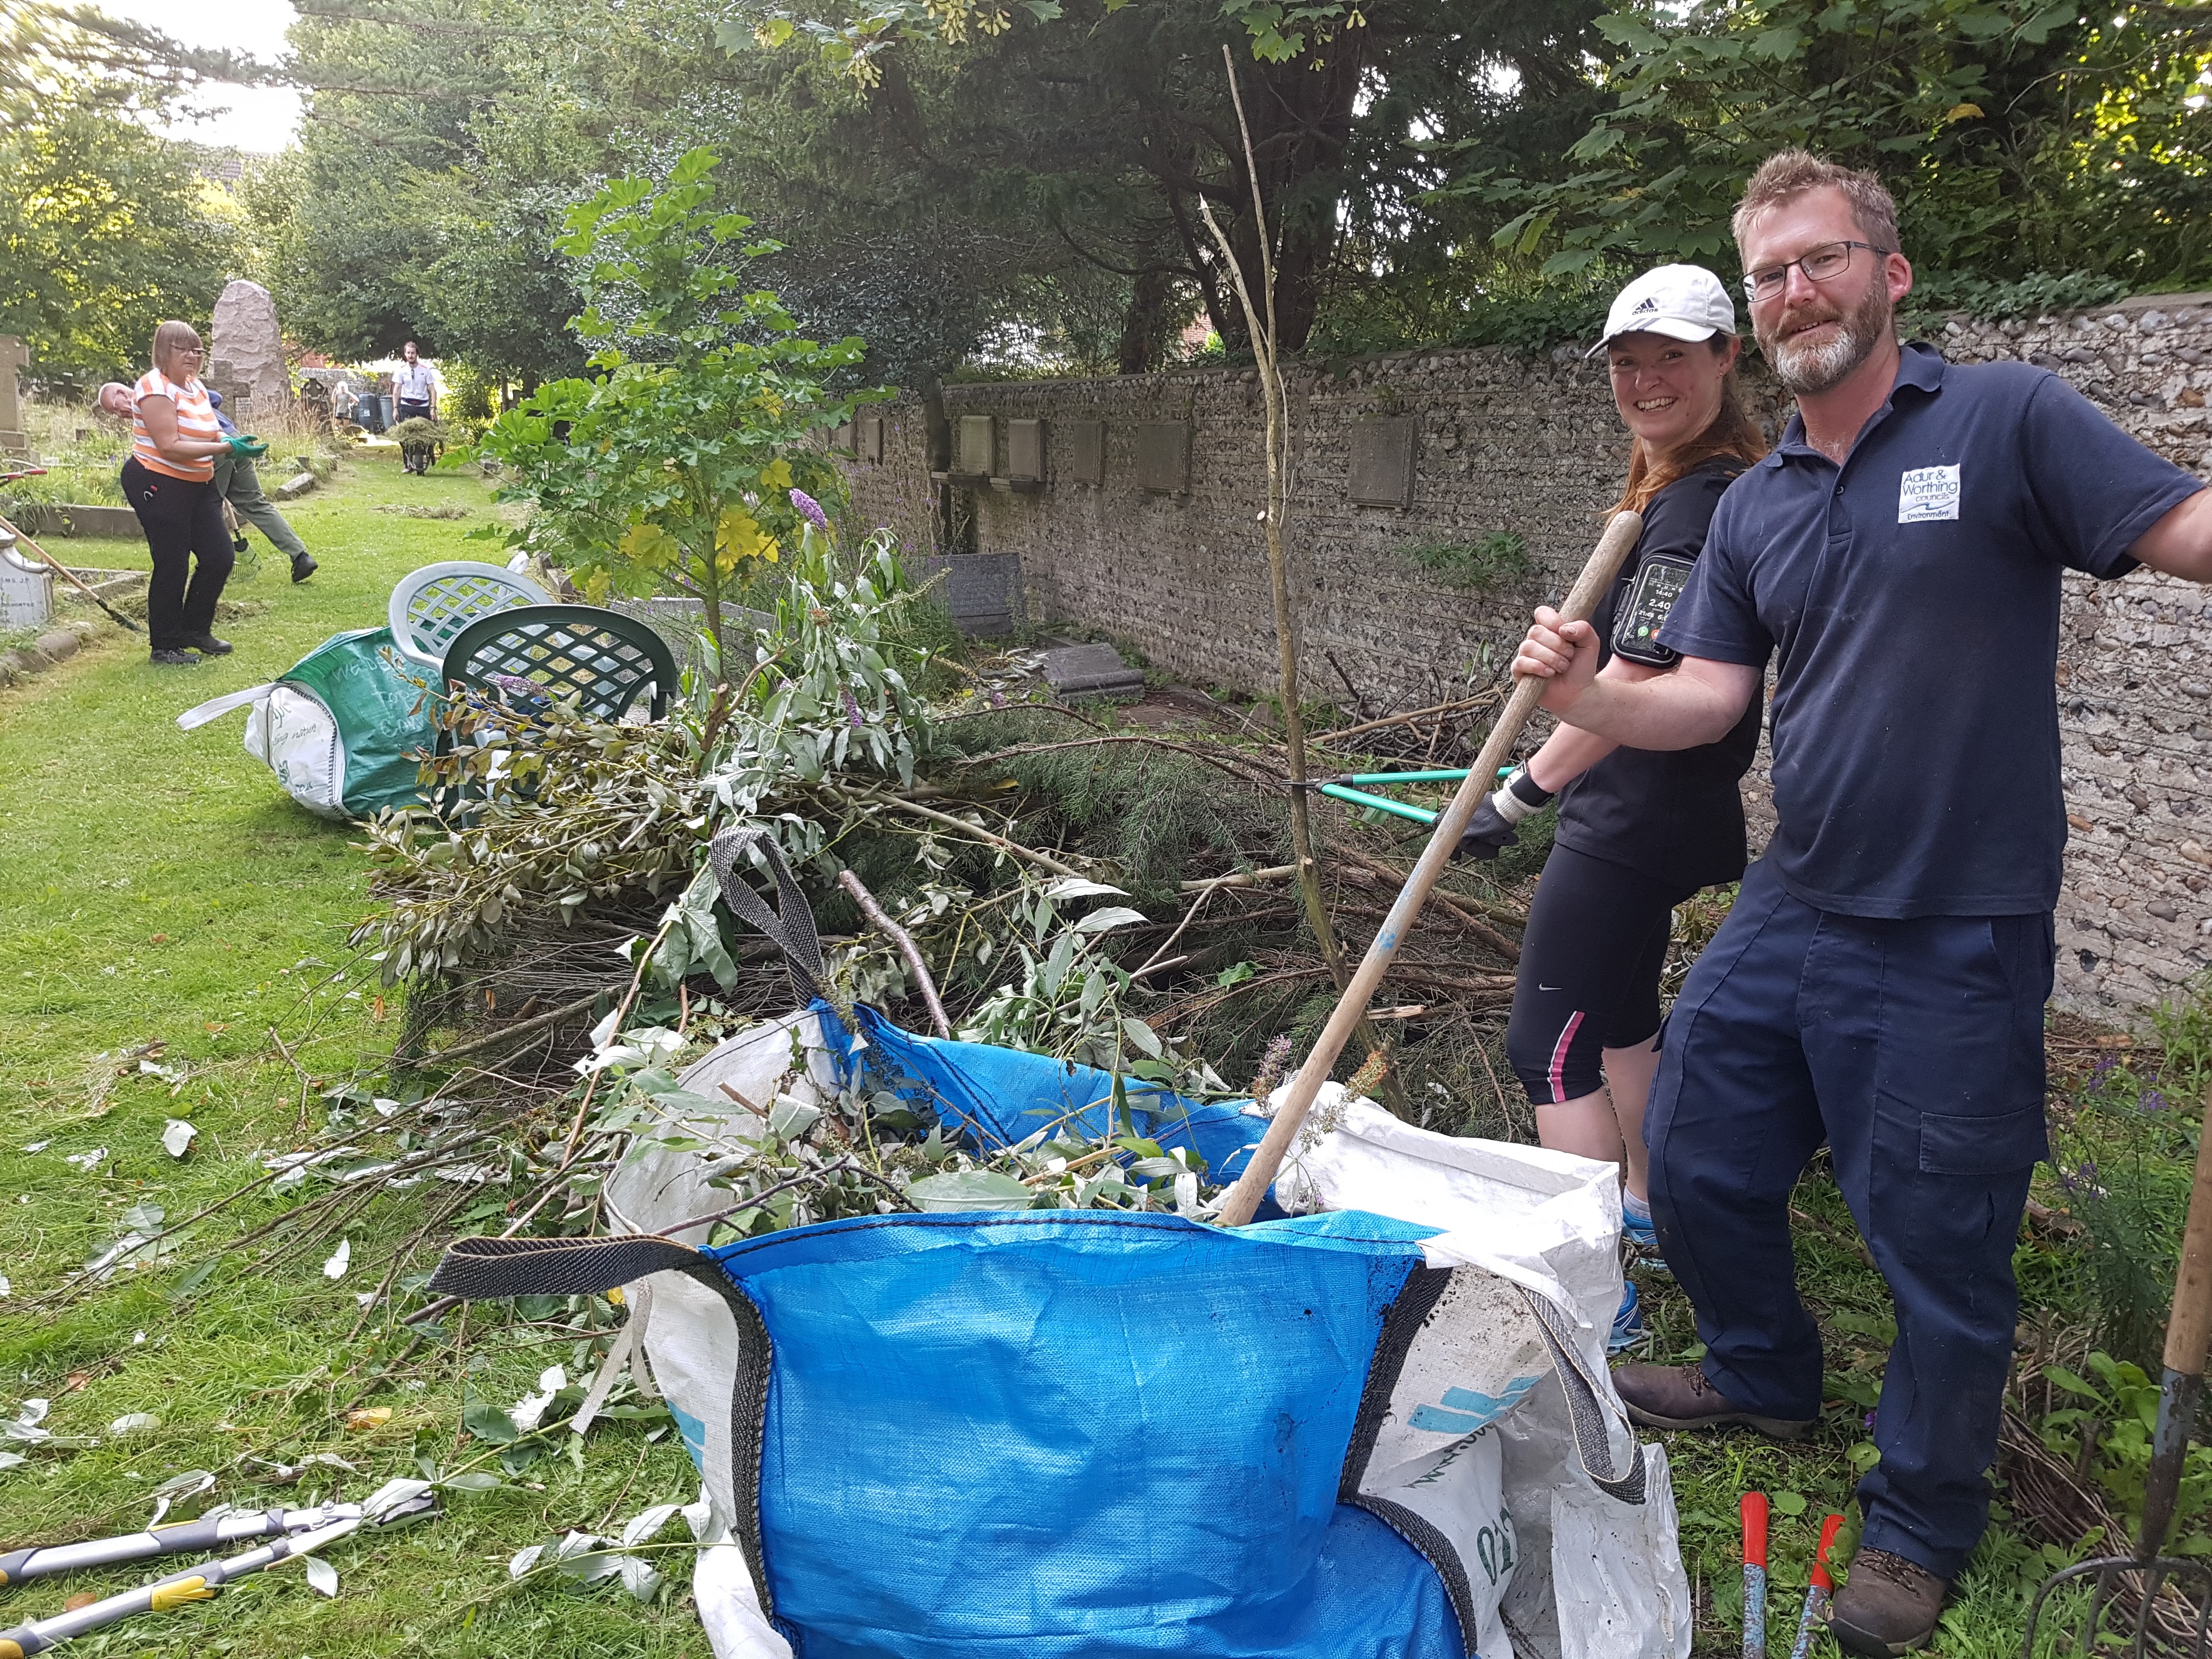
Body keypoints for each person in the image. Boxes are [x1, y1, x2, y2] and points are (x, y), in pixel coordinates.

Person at [1510, 150, 2212, 1654]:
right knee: (1692, 1145)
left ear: (1889, 275)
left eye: (1821, 260)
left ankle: (1919, 1522)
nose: (1795, 292)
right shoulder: (1760, 501)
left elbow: (2183, 529)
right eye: (1769, 274)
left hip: (1961, 922)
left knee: (1939, 1234)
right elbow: (1703, 701)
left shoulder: (2004, 418)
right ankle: (1764, 1373)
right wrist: (1587, 702)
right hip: (1802, 901)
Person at [1457, 264, 1767, 1351]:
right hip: (1673, 809)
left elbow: (1633, 685)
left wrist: (1521, 788)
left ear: (1728, 357)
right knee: (1625, 1021)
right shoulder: (1706, 487)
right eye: (1628, 363)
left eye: (1672, 357)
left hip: (1635, 814)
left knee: (1548, 1049)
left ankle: (1596, 1298)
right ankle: (1644, 1203)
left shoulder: (1694, 508)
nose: (1645, 381)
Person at [117, 323, 264, 667]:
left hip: (199, 483)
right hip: (159, 483)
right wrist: (226, 448)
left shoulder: (195, 387)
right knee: (172, 563)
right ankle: (164, 646)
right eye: (183, 349)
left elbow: (207, 432)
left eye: (198, 350)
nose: (193, 356)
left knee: (219, 557)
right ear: (163, 351)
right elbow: (169, 446)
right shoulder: (154, 387)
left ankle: (195, 631)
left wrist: (230, 443)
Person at [207, 388, 317, 582]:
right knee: (256, 503)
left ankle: (215, 565)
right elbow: (216, 397)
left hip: (213, 443)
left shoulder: (169, 390)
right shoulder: (192, 389)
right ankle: (301, 556)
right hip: (234, 437)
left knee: (207, 508)